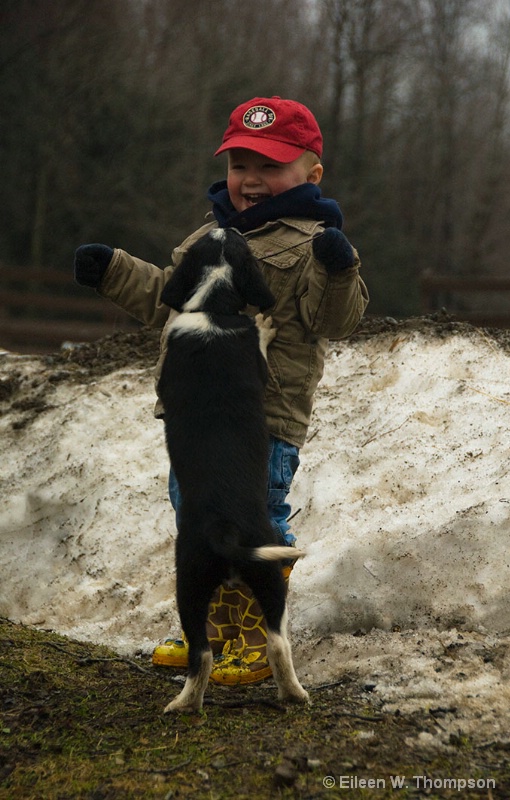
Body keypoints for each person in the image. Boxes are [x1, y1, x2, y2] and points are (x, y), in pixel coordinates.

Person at [74, 96, 369, 685]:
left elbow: (337, 320)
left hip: (260, 419)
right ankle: (206, 632)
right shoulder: (208, 236)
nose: (251, 179)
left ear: (311, 175)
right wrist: (113, 269)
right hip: (196, 417)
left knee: (255, 516)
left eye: (270, 165)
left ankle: (259, 635)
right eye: (240, 164)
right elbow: (167, 295)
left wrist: (341, 270)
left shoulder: (315, 243)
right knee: (197, 518)